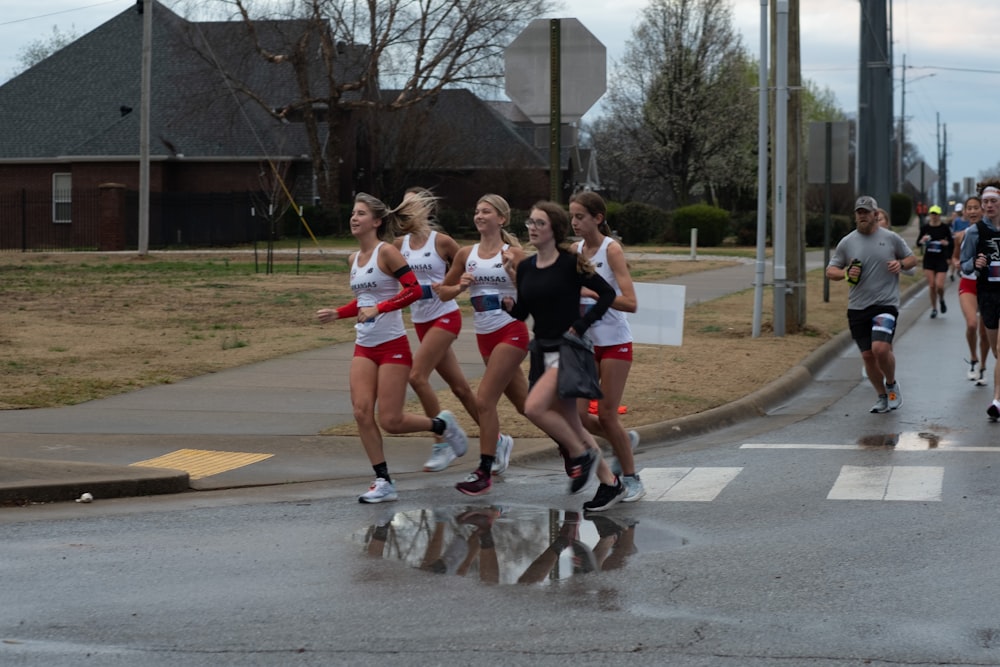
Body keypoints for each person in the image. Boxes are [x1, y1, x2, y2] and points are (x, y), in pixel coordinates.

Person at [316, 191, 468, 503]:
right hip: (364, 345)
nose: (354, 218)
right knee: (360, 412)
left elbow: (412, 290)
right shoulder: (353, 259)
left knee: (391, 420)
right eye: (353, 213)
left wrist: (381, 309)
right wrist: (339, 312)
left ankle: (442, 424)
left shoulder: (387, 252)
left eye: (360, 214)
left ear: (376, 221)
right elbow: (363, 301)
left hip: (392, 345)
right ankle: (383, 481)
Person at [503, 201, 626, 512]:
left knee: (533, 407)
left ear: (553, 230)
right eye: (530, 222)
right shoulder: (527, 267)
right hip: (542, 350)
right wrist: (509, 304)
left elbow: (608, 294)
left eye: (539, 223)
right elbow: (523, 311)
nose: (532, 227)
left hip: (569, 350)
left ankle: (579, 454)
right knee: (574, 424)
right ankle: (611, 483)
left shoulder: (570, 263)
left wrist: (582, 324)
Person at [433, 194, 528, 495]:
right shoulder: (465, 254)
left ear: (501, 218)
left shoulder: (514, 253)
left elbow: (534, 294)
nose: (479, 215)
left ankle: (484, 470)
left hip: (511, 331)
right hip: (484, 336)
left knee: (484, 400)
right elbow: (444, 293)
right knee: (528, 406)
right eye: (476, 210)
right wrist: (459, 286)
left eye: (486, 211)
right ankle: (575, 448)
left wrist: (515, 279)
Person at [394, 188, 482, 472]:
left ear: (425, 208)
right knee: (460, 388)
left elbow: (472, 267)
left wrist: (457, 286)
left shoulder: (442, 242)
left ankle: (442, 441)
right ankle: (498, 438)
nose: (406, 207)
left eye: (413, 202)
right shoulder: (398, 245)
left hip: (446, 317)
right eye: (403, 202)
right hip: (420, 321)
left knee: (416, 376)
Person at [569, 191, 644, 503]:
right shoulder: (574, 251)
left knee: (609, 415)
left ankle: (631, 478)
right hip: (586, 344)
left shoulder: (611, 250)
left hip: (614, 342)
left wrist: (593, 292)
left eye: (580, 217)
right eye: (571, 216)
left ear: (598, 218)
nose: (574, 222)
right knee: (579, 418)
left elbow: (631, 302)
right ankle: (623, 440)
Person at [826, 195, 918, 414]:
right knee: (867, 355)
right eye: (859, 212)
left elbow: (912, 260)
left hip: (885, 304)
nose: (863, 216)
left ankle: (892, 384)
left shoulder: (891, 238)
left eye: (867, 212)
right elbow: (831, 271)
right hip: (857, 307)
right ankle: (881, 396)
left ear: (876, 214)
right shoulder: (847, 242)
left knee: (880, 348)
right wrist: (846, 273)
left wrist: (900, 263)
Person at [959, 181, 1000, 420]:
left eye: (994, 201)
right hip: (987, 294)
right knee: (995, 350)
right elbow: (963, 264)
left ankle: (996, 400)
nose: (989, 205)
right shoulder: (975, 232)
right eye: (986, 202)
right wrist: (975, 264)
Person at [952, 195, 989, 384]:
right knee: (972, 324)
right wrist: (959, 264)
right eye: (969, 208)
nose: (973, 211)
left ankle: (982, 366)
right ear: (965, 213)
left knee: (984, 331)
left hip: (987, 285)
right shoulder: (962, 235)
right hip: (968, 283)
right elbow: (955, 258)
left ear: (982, 210)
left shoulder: (991, 232)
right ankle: (973, 358)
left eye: (976, 207)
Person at [917, 204, 954, 318]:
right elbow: (918, 243)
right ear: (929, 215)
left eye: (936, 214)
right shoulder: (925, 228)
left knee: (939, 286)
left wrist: (946, 245)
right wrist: (923, 240)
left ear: (939, 215)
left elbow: (951, 243)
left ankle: (941, 299)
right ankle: (934, 308)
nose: (934, 216)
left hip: (941, 259)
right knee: (932, 285)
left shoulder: (944, 228)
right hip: (929, 260)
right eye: (932, 214)